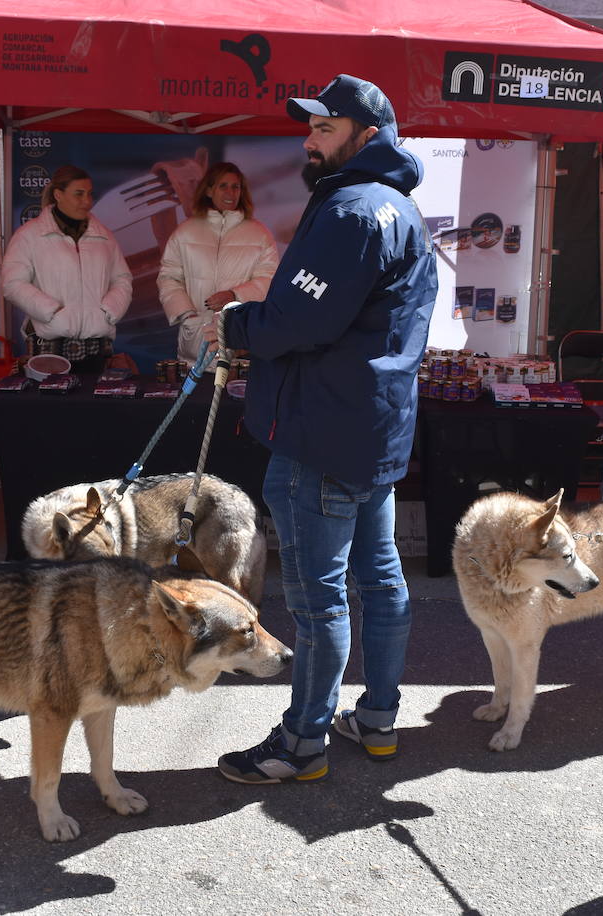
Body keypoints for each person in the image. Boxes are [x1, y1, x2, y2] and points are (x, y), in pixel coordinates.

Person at [203, 74, 438, 784]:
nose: (309, 140)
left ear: (368, 135)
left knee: (318, 600)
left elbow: (302, 320)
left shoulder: (354, 210)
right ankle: (378, 718)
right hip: (371, 428)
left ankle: (303, 742)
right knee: (380, 580)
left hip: (322, 429)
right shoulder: (397, 207)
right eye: (310, 129)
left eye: (325, 129)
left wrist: (238, 322)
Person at [2, 165, 132, 371]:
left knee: (93, 403)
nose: (87, 201)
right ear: (58, 195)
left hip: (96, 349)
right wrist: (51, 311)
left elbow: (122, 279)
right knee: (53, 404)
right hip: (49, 348)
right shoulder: (30, 235)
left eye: (89, 194)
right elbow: (12, 283)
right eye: (79, 194)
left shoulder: (104, 236)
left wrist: (109, 311)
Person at [157, 162, 278, 362]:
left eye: (235, 186)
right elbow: (168, 278)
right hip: (194, 349)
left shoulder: (260, 234)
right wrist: (186, 315)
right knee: (196, 393)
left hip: (240, 346)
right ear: (209, 190)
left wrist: (235, 295)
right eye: (223, 186)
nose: (230, 192)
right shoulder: (184, 232)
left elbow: (270, 279)